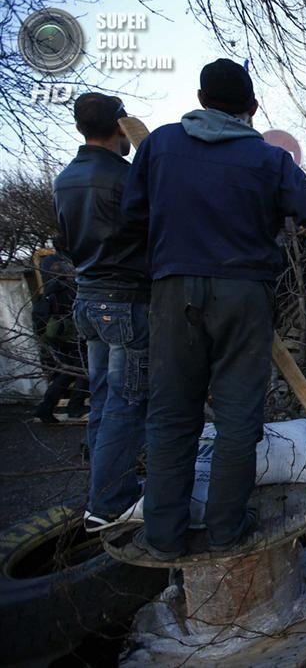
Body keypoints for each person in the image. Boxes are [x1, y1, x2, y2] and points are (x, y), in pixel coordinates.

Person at [123, 58, 306, 559]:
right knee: (239, 417)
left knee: (172, 416)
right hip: (243, 295)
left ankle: (164, 536)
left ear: (200, 100)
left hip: (173, 291)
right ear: (252, 109)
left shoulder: (159, 146)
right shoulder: (267, 158)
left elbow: (131, 217)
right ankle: (226, 528)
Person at [53, 92, 149, 533]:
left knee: (105, 399)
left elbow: (66, 244)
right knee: (127, 402)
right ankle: (110, 504)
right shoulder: (125, 178)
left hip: (88, 298)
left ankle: (102, 490)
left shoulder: (65, 178)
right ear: (118, 125)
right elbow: (152, 234)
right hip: (124, 300)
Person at [31, 247, 89, 423]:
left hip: (59, 339)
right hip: (72, 338)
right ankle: (74, 407)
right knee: (85, 371)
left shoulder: (49, 288)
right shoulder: (67, 288)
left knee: (68, 372)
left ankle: (46, 407)